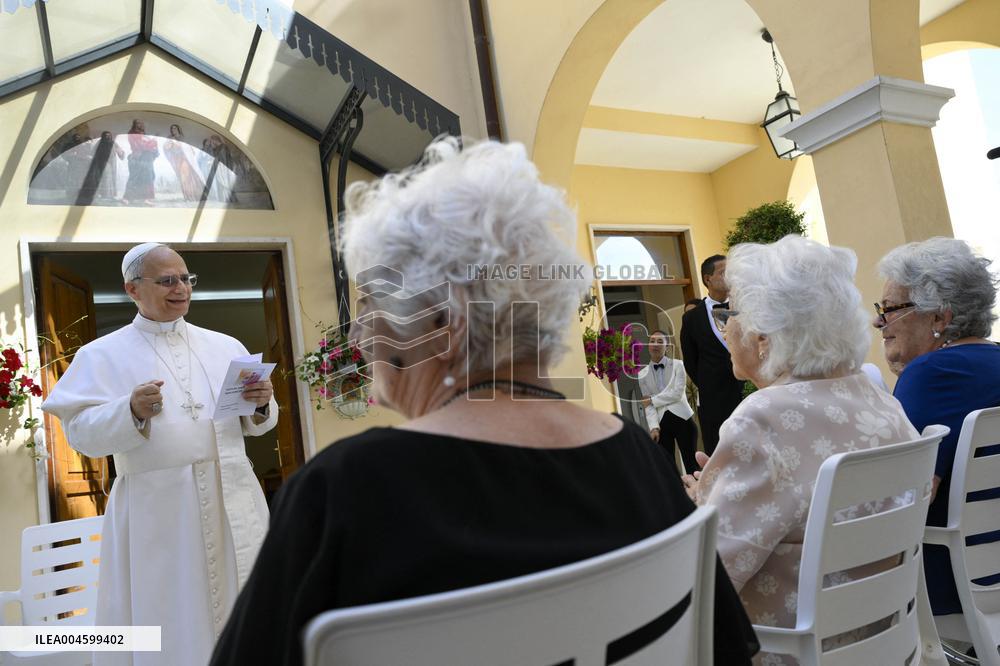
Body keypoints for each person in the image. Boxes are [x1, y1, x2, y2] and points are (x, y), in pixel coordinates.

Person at [210, 139, 758, 666]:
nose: (358, 338)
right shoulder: (638, 457)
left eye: (369, 305)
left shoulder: (345, 491)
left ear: (442, 324)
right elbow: (725, 650)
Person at [681, 236, 919, 660]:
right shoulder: (880, 399)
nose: (725, 326)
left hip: (793, 651)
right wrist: (718, 489)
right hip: (882, 640)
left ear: (764, 338)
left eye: (729, 312)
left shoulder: (763, 419)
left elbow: (705, 581)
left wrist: (695, 508)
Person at [41, 243, 278, 666]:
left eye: (186, 279)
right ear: (132, 289)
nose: (180, 288)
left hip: (233, 497)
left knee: (248, 601)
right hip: (159, 510)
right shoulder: (101, 354)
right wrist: (128, 411)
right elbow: (80, 434)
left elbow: (252, 419)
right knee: (170, 611)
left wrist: (260, 403)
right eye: (167, 280)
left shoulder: (225, 346)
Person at [875, 237, 1000, 616]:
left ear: (940, 318)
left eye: (891, 309)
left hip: (952, 580)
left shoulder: (930, 374)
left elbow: (899, 502)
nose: (879, 321)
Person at [680, 255, 745, 454]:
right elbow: (691, 361)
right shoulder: (692, 318)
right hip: (714, 400)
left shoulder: (746, 308)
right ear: (708, 279)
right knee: (722, 453)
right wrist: (709, 384)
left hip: (748, 393)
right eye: (723, 272)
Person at [638, 329, 697, 474]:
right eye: (652, 341)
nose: (655, 344)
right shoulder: (642, 374)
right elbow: (648, 407)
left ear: (667, 346)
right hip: (661, 424)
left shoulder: (678, 365)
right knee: (668, 468)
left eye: (660, 341)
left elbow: (677, 393)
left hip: (683, 419)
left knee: (691, 465)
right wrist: (653, 427)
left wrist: (652, 400)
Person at [163, 123, 206, 202]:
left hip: (185, 160)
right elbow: (166, 148)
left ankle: (191, 196)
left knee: (186, 178)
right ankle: (187, 196)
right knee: (182, 179)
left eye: (175, 128)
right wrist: (169, 144)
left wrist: (177, 144)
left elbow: (189, 148)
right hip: (177, 160)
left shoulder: (182, 138)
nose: (173, 130)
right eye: (172, 129)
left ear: (178, 129)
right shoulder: (170, 139)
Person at [123, 119, 158, 205]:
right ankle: (126, 197)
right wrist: (153, 142)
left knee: (149, 178)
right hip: (138, 158)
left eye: (142, 123)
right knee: (134, 177)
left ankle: (147, 198)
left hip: (148, 159)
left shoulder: (145, 135)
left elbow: (153, 147)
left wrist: (153, 145)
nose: (140, 125)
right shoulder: (132, 134)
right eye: (138, 123)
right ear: (134, 124)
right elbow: (140, 146)